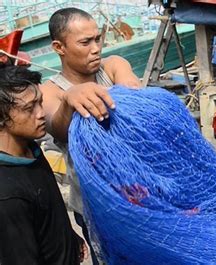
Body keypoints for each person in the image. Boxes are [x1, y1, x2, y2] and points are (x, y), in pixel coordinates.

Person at [40, 7, 140, 264]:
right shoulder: (51, 91)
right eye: (85, 42)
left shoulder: (113, 67)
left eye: (97, 39)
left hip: (138, 196)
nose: (96, 48)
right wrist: (69, 101)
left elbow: (131, 92)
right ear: (59, 47)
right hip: (93, 207)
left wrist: (129, 93)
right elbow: (56, 126)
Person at [0, 65, 87, 264]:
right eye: (29, 108)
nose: (41, 114)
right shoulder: (7, 196)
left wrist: (68, 238)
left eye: (40, 102)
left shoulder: (31, 149)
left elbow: (46, 211)